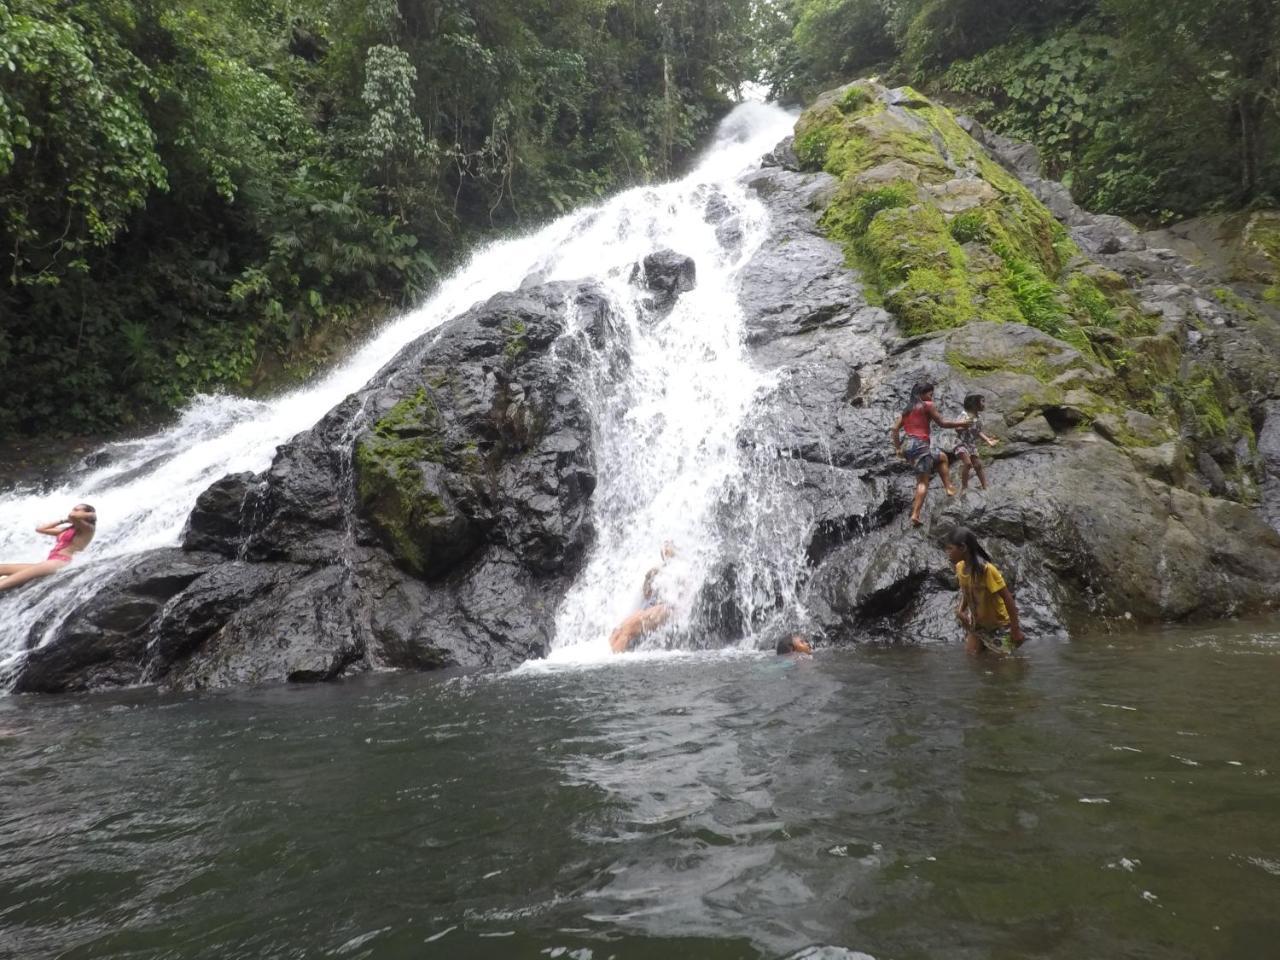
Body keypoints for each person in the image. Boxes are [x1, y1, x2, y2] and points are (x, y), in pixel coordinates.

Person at [890, 382, 971, 526]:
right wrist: (962, 424)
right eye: (930, 395)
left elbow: (895, 429)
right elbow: (942, 423)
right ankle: (915, 515)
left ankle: (948, 487)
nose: (931, 398)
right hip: (920, 444)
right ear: (921, 394)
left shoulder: (907, 409)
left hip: (908, 446)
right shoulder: (927, 405)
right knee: (922, 482)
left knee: (941, 457)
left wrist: (897, 448)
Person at [943, 526, 1026, 655]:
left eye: (950, 549)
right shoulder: (960, 568)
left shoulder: (987, 570)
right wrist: (960, 610)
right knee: (972, 658)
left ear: (963, 548)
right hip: (978, 626)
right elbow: (967, 591)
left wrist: (1015, 629)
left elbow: (1007, 598)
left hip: (1000, 626)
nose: (947, 552)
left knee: (1003, 669)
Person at [0, 503, 97, 593]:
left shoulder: (88, 529)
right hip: (50, 561)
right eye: (73, 509)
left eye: (77, 510)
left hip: (60, 562)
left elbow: (73, 516)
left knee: (4, 582)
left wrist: (92, 515)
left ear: (88, 514)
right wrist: (64, 520)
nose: (73, 511)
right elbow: (40, 529)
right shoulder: (68, 529)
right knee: (2, 568)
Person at [609, 541, 676, 653]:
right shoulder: (656, 571)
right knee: (618, 631)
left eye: (669, 545)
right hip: (651, 606)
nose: (666, 549)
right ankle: (613, 654)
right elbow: (646, 594)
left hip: (664, 608)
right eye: (665, 546)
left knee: (629, 627)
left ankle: (614, 659)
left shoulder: (683, 571)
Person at [951, 393, 1000, 491]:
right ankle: (964, 487)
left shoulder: (979, 417)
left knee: (978, 465)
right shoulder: (964, 415)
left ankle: (985, 486)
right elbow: (957, 428)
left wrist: (987, 440)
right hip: (960, 443)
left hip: (971, 444)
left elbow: (978, 431)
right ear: (974, 404)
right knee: (968, 464)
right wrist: (964, 425)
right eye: (982, 401)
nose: (984, 404)